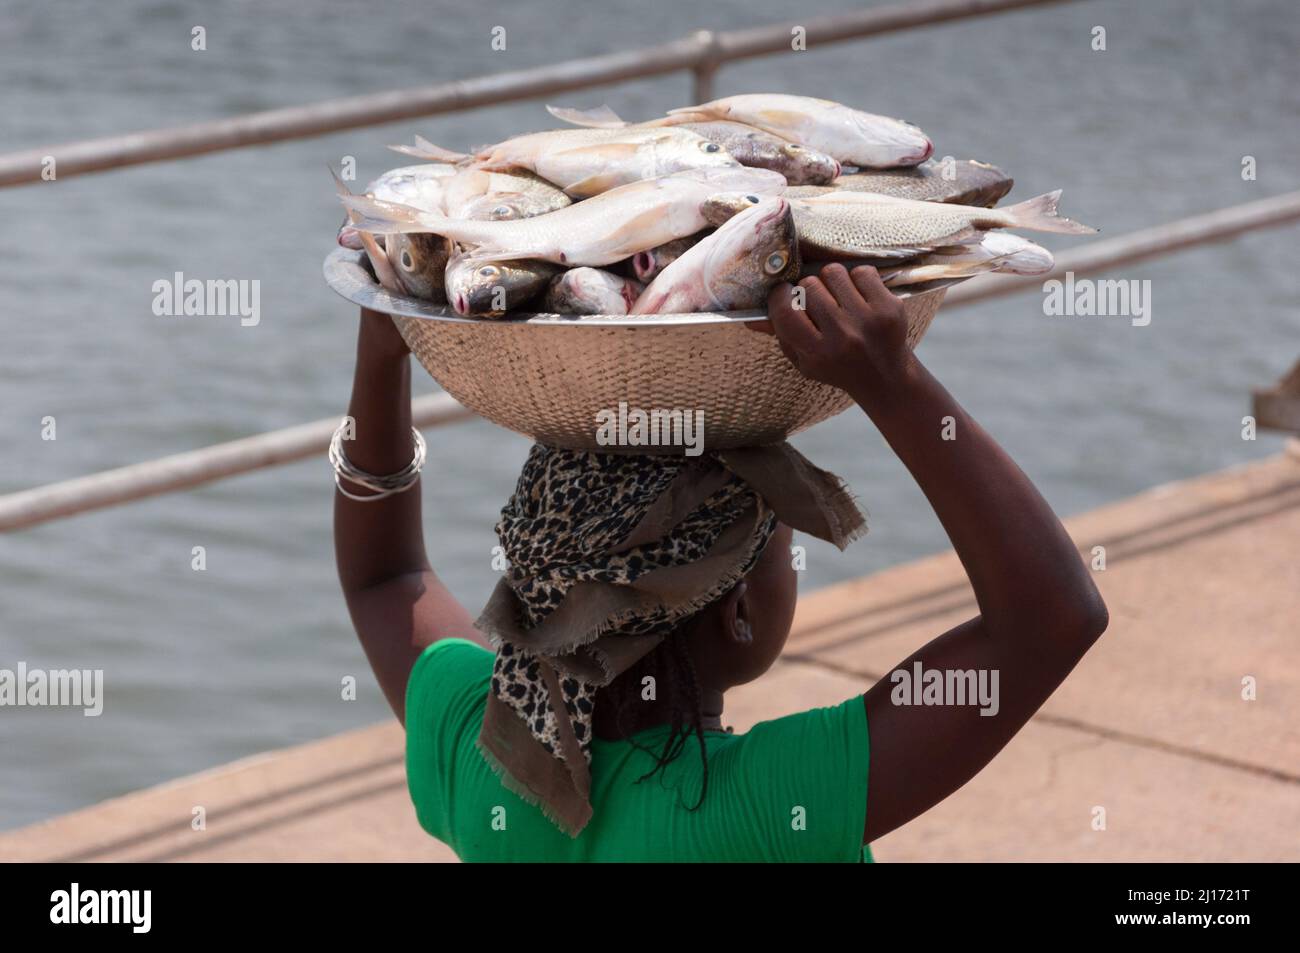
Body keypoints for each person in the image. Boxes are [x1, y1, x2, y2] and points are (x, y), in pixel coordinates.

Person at [333, 263, 1108, 862]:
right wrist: (893, 382)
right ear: (735, 610)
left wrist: (379, 355)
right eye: (781, 541)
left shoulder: (483, 751)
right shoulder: (766, 806)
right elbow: (1054, 616)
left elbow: (387, 579)